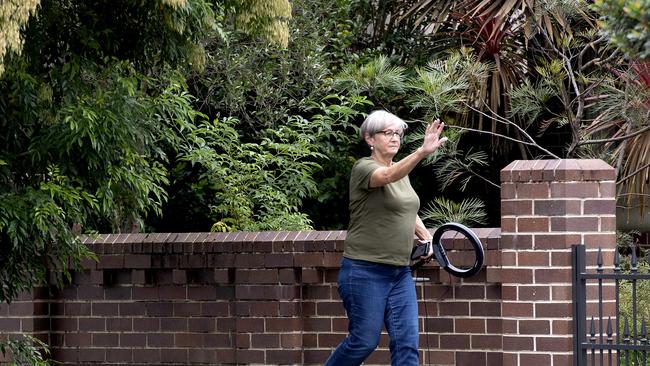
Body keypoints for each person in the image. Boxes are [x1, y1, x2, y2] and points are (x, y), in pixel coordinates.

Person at [324, 110, 448, 366]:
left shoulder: (402, 173)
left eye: (398, 133)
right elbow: (387, 177)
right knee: (363, 341)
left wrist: (427, 238)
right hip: (364, 271)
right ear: (370, 139)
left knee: (407, 344)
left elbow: (407, 208)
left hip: (399, 273)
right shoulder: (364, 167)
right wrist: (422, 152)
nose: (395, 138)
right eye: (387, 133)